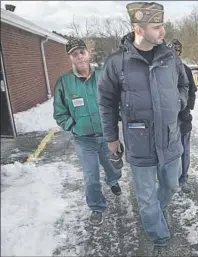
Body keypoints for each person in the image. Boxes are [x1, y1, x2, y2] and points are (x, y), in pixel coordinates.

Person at [97, 2, 189, 255]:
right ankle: (158, 236)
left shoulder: (170, 57)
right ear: (138, 28)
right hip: (139, 141)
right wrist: (111, 138)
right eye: (157, 26)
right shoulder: (117, 62)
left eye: (163, 25)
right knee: (146, 198)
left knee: (171, 185)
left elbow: (185, 85)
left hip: (170, 137)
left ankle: (155, 214)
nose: (163, 31)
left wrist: (179, 102)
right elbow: (105, 101)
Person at [53, 38, 123, 226]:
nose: (79, 57)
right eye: (74, 54)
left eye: (82, 52)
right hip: (84, 141)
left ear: (88, 54)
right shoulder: (64, 82)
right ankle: (96, 207)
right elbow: (59, 113)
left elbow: (116, 98)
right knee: (91, 176)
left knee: (112, 167)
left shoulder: (103, 75)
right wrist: (73, 126)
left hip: (107, 136)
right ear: (70, 58)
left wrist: (119, 117)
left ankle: (113, 181)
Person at [167, 39, 197, 193]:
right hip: (167, 119)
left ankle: (183, 178)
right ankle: (168, 180)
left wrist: (187, 108)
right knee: (168, 151)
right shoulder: (162, 70)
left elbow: (192, 91)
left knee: (184, 150)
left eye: (177, 51)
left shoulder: (186, 70)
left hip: (183, 118)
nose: (174, 54)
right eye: (172, 51)